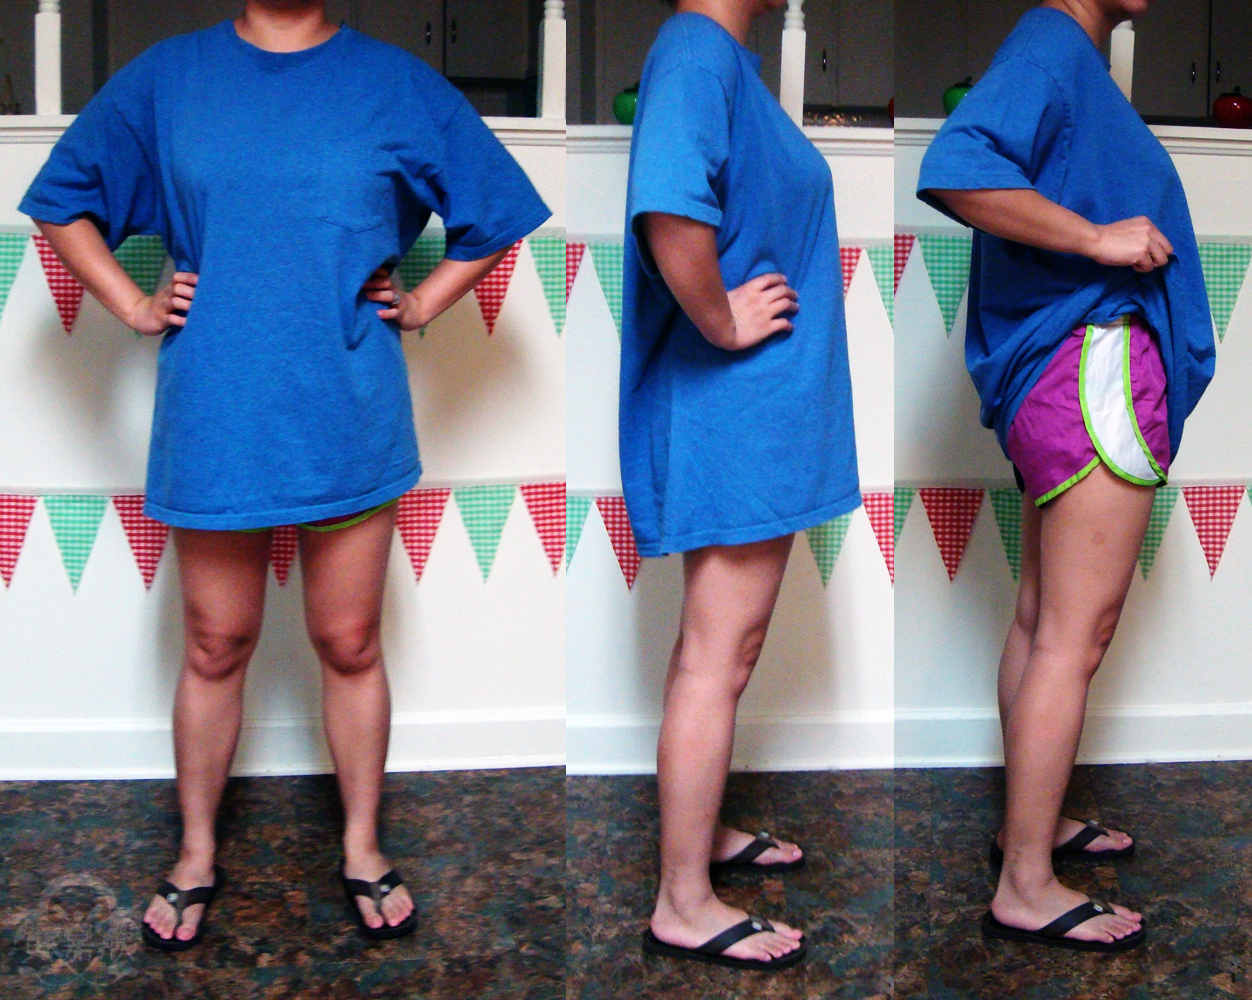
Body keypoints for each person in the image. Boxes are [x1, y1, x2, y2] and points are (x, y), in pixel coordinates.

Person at [20, 0, 549, 949]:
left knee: (349, 642)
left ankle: (362, 846)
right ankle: (195, 854)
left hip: (347, 409)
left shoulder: (392, 82)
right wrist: (134, 305)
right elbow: (59, 201)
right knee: (215, 644)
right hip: (216, 409)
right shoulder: (168, 78)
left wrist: (422, 300)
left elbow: (496, 211)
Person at [917, 0, 1214, 952]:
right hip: (1094, 370)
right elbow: (955, 163)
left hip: (1069, 374)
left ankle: (1026, 832)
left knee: (1044, 621)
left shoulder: (1068, 56)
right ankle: (1027, 883)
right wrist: (1095, 239)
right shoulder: (1052, 42)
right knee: (1072, 637)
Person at [621, 0, 862, 971]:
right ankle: (682, 901)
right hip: (736, 412)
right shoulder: (694, 50)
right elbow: (669, 207)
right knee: (717, 655)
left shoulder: (722, 62)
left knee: (717, 649)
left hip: (757, 414)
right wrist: (722, 321)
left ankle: (700, 832)